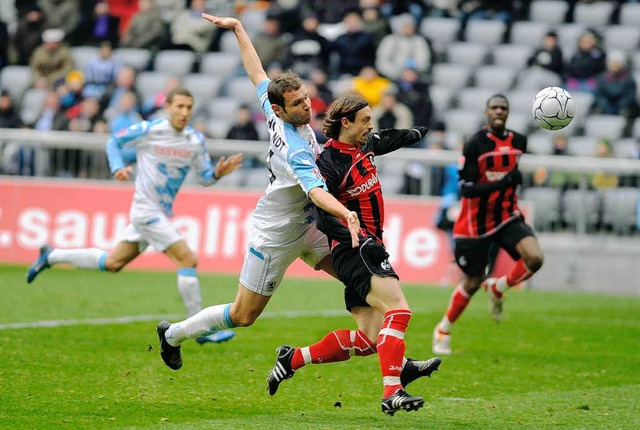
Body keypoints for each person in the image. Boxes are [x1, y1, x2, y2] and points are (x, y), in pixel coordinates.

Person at [154, 13, 361, 372]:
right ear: (281, 109)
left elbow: (256, 72)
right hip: (276, 234)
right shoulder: (295, 148)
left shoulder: (275, 107)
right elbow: (314, 192)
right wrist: (345, 214)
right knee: (243, 314)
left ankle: (394, 359)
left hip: (309, 228)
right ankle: (173, 334)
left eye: (307, 99)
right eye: (298, 104)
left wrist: (238, 29)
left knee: (363, 276)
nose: (308, 107)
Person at [26, 87, 243, 344]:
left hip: (159, 212)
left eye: (189, 107)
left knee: (113, 263)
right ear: (168, 108)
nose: (185, 112)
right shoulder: (149, 130)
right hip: (145, 210)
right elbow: (113, 142)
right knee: (188, 259)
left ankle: (51, 255)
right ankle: (199, 330)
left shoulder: (195, 140)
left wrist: (218, 173)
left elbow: (205, 178)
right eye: (180, 106)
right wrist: (118, 167)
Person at [266, 92, 438, 415]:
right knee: (399, 311)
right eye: (365, 121)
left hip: (368, 247)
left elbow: (384, 140)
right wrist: (357, 237)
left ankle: (293, 358)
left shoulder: (364, 145)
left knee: (369, 339)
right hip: (355, 249)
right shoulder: (329, 163)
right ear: (345, 123)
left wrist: (413, 134)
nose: (370, 127)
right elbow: (324, 217)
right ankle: (393, 389)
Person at [432, 94, 544, 355]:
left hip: (507, 216)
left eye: (503, 107)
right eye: (494, 107)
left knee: (535, 258)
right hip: (474, 225)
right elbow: (468, 189)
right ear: (486, 112)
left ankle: (498, 286)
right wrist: (503, 182)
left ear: (508, 112)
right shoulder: (475, 144)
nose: (499, 111)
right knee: (471, 282)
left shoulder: (519, 141)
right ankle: (444, 328)